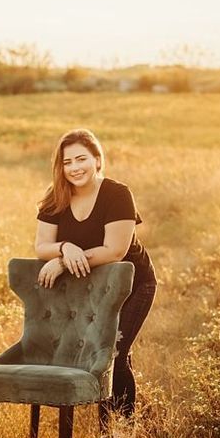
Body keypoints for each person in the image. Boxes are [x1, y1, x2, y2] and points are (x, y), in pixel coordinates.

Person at [35, 128, 157, 419]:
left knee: (113, 350)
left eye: (81, 159)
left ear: (97, 160)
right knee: (102, 353)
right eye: (67, 162)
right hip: (91, 286)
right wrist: (64, 247)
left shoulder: (117, 193)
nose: (75, 168)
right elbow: (41, 246)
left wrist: (64, 261)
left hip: (132, 284)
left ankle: (119, 430)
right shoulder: (56, 196)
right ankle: (117, 423)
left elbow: (115, 251)